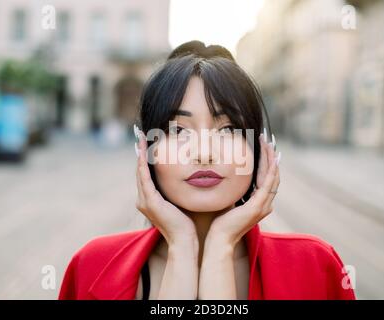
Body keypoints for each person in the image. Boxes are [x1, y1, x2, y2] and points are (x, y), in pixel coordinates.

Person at [59, 40, 356, 300]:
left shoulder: (316, 268)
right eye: (177, 129)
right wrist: (181, 244)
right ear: (144, 149)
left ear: (260, 147)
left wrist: (221, 244)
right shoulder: (91, 267)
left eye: (227, 129)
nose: (203, 153)